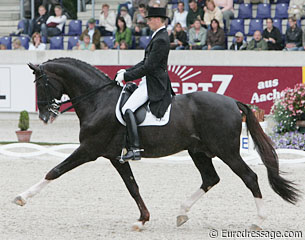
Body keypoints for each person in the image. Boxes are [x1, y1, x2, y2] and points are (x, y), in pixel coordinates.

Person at [114, 7, 175, 161]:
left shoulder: (161, 38)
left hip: (154, 83)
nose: (147, 22)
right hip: (148, 80)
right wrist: (126, 71)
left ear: (158, 19)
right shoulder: (157, 36)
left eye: (150, 19)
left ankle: (134, 148)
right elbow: (145, 62)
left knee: (128, 108)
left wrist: (127, 76)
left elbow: (149, 67)